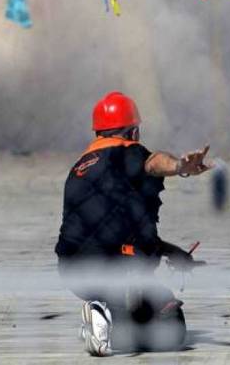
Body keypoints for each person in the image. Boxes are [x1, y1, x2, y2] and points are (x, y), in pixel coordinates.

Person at [55, 91, 211, 356]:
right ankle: (108, 318)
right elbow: (153, 163)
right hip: (116, 268)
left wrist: (172, 252)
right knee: (171, 328)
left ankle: (101, 317)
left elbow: (114, 227)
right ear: (134, 133)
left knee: (133, 313)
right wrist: (179, 166)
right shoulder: (128, 153)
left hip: (73, 269)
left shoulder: (80, 166)